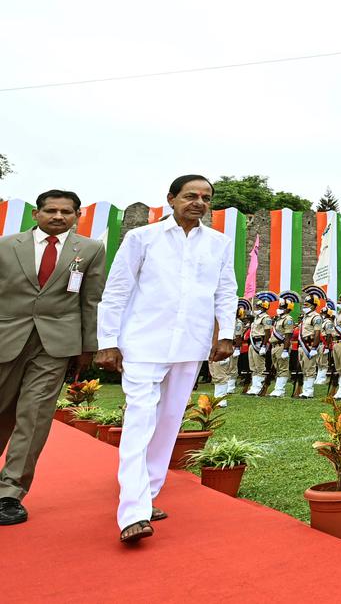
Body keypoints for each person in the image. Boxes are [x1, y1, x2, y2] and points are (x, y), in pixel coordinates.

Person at [96, 174, 237, 543]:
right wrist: (108, 341)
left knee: (170, 421)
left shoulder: (218, 243)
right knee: (140, 419)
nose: (198, 202)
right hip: (143, 342)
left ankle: (149, 493)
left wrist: (225, 334)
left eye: (206, 197)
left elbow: (226, 290)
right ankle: (133, 511)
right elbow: (117, 290)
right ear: (171, 199)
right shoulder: (142, 238)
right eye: (190, 195)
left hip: (189, 344)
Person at [0, 190, 105, 527]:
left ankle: (10, 492)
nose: (58, 217)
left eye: (66, 212)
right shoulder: (6, 245)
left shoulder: (89, 250)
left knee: (35, 414)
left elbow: (91, 300)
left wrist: (89, 346)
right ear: (36, 213)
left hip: (56, 345)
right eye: (51, 211)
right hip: (5, 338)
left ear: (77, 216)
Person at [210, 298, 249, 406]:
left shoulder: (235, 322)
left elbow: (237, 337)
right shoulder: (219, 320)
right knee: (215, 372)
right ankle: (217, 397)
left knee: (221, 373)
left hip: (224, 347)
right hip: (214, 347)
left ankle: (221, 399)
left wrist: (236, 348)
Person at [296, 286, 327, 399]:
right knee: (304, 368)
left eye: (307, 305)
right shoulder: (305, 317)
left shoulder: (316, 317)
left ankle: (309, 391)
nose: (304, 307)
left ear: (313, 306)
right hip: (302, 345)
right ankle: (305, 389)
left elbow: (317, 333)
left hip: (309, 346)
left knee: (309, 368)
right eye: (304, 305)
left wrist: (314, 348)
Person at [268, 292, 299, 398]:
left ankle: (280, 389)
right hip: (275, 346)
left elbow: (288, 336)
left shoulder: (288, 319)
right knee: (278, 368)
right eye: (280, 306)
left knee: (283, 368)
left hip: (281, 346)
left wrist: (286, 350)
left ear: (288, 309)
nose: (280, 308)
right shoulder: (278, 319)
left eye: (282, 307)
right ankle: (278, 388)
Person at [246, 294, 275, 395]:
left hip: (259, 343)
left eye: (258, 307)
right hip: (252, 342)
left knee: (259, 366)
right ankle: (254, 386)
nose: (256, 309)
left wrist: (263, 346)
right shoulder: (256, 318)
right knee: (253, 366)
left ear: (263, 308)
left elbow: (267, 333)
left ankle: (259, 387)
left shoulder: (266, 318)